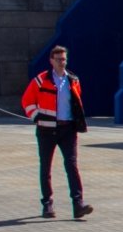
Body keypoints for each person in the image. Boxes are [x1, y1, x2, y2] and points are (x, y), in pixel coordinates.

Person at [21, 45, 93, 220]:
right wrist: (36, 116)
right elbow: (27, 100)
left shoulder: (73, 80)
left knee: (71, 165)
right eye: (59, 59)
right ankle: (47, 203)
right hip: (46, 130)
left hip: (68, 129)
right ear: (51, 61)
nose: (62, 62)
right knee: (46, 167)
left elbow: (76, 101)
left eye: (64, 59)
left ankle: (78, 203)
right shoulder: (40, 80)